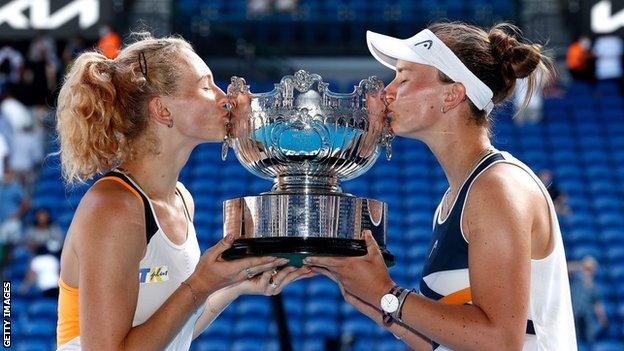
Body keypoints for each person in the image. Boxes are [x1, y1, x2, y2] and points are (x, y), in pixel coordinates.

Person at [305, 22, 577, 350]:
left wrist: (388, 295)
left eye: (403, 78)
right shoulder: (459, 196)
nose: (387, 92)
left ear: (452, 94)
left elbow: (501, 341)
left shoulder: (497, 188)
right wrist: (378, 306)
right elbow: (446, 343)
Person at [55, 33, 314, 351]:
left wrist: (233, 285)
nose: (224, 97)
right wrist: (199, 284)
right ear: (163, 111)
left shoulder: (181, 198)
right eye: (206, 87)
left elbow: (173, 333)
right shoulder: (113, 208)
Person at [568, 256, 608, 347]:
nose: (587, 271)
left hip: (586, 320)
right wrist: (579, 265)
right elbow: (564, 268)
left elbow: (598, 307)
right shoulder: (575, 281)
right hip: (573, 316)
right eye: (586, 268)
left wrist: (603, 321)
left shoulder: (595, 288)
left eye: (590, 269)